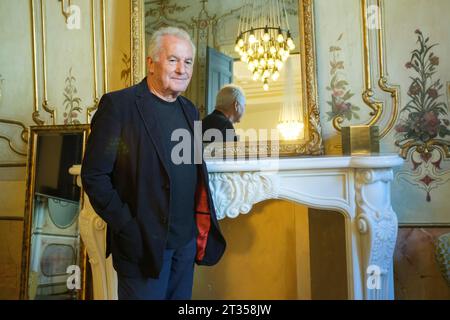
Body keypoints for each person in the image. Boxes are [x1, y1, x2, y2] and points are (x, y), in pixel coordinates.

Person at [81, 27, 226, 300]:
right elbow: (95, 175)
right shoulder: (119, 107)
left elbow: (190, 171)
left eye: (188, 62)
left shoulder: (189, 110)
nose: (182, 69)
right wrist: (127, 226)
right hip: (142, 246)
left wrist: (195, 231)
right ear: (151, 63)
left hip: (184, 245)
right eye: (173, 60)